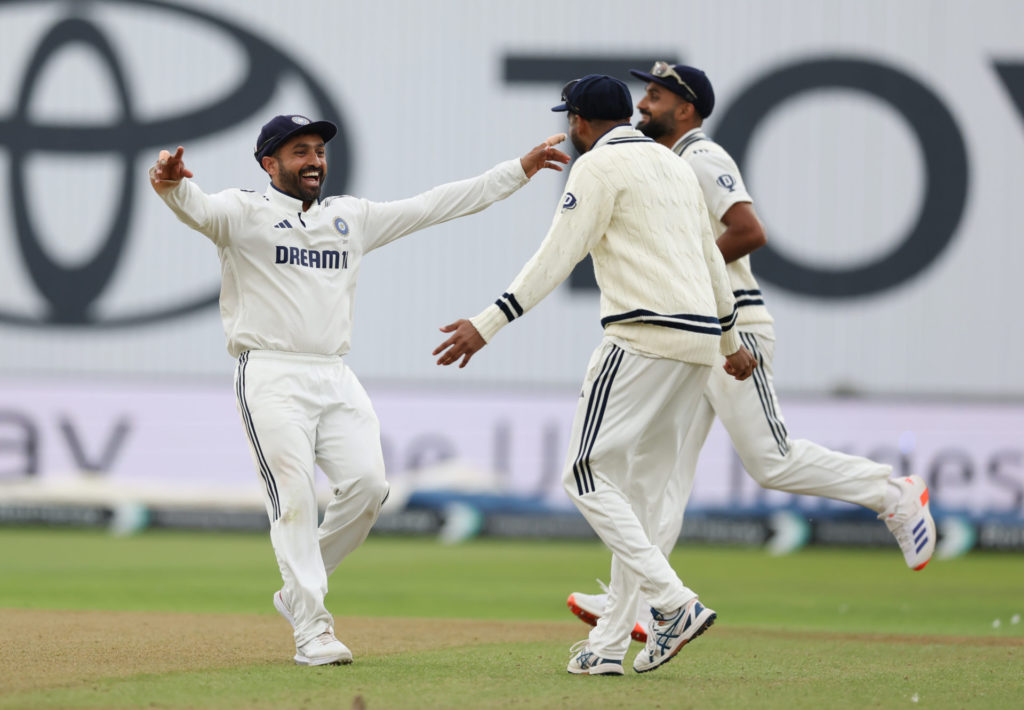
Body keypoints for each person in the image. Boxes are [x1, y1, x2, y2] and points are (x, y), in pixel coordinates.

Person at [149, 114, 569, 666]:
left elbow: (437, 204)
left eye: (319, 151)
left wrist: (519, 170)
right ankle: (312, 628)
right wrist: (170, 179)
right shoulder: (242, 212)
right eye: (300, 152)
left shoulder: (350, 218)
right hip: (270, 372)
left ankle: (299, 591)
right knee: (294, 500)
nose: (315, 161)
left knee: (370, 488)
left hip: (334, 374)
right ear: (268, 163)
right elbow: (194, 206)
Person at [565, 62, 937, 646]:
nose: (644, 104)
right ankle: (632, 603)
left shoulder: (702, 157)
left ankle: (892, 493)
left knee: (772, 459)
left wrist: (682, 272)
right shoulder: (661, 162)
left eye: (656, 97)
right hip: (694, 332)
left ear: (686, 110)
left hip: (735, 326)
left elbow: (748, 229)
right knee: (661, 481)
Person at [433, 75, 757, 676]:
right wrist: (731, 340)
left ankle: (674, 605)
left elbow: (557, 254)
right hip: (697, 347)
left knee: (584, 476)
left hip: (640, 338)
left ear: (580, 122)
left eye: (570, 120)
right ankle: (609, 645)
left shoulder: (597, 169)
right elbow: (714, 258)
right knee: (640, 495)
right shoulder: (671, 166)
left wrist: (488, 322)